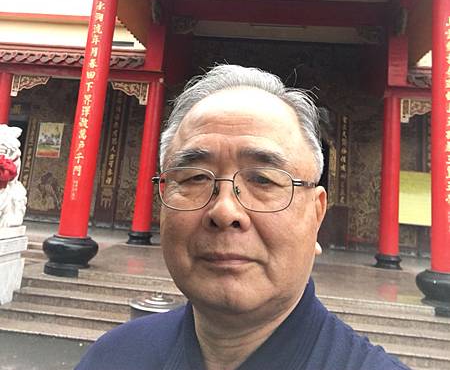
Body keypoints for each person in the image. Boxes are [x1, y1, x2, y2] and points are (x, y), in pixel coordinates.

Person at [76, 65, 410, 370]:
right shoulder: (112, 357)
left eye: (263, 179)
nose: (224, 211)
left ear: (316, 214)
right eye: (195, 177)